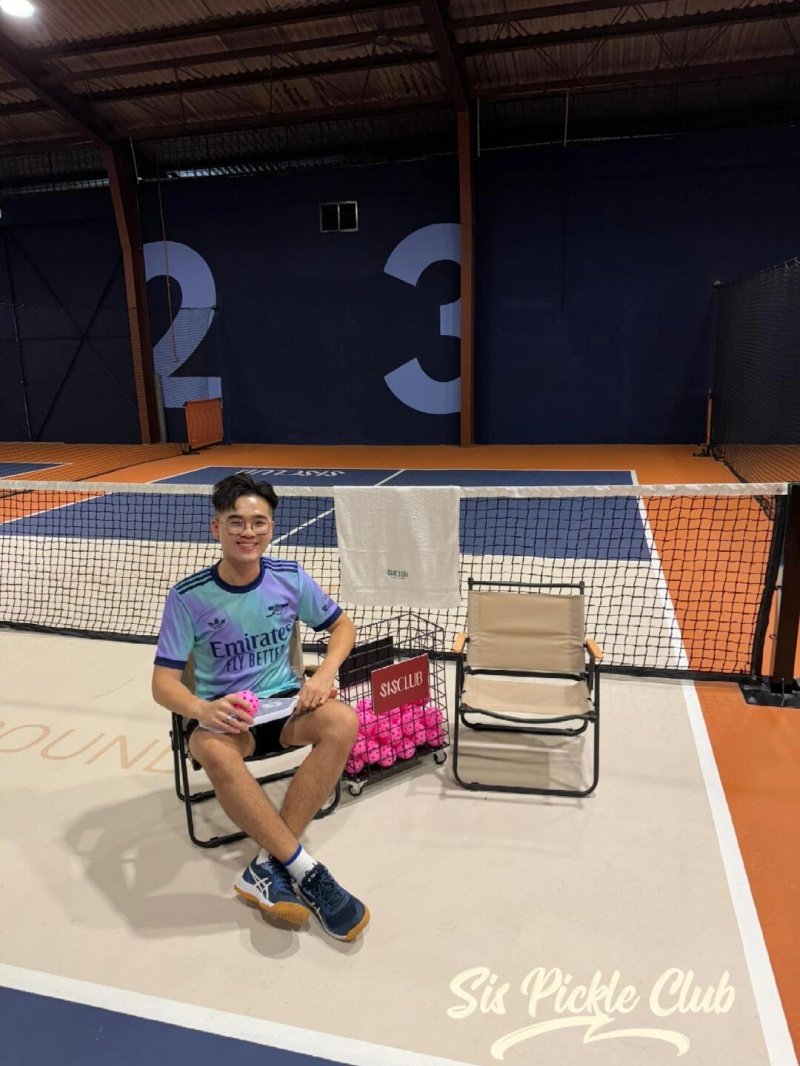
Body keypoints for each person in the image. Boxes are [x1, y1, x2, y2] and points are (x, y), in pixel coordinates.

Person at [152, 472, 369, 942]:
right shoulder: (187, 598)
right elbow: (163, 684)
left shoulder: (291, 578)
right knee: (211, 749)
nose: (247, 532)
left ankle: (269, 865)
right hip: (229, 718)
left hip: (287, 706)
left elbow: (343, 627)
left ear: (271, 527)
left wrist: (326, 672)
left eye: (258, 522)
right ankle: (306, 869)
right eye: (236, 522)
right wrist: (202, 710)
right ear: (216, 529)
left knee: (343, 720)